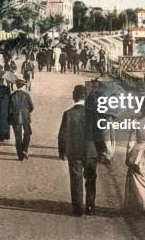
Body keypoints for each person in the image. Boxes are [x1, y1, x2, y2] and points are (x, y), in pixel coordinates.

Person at [57, 85, 98, 216]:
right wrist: (101, 151)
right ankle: (90, 206)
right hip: (91, 151)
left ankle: (78, 209)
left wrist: (62, 151)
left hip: (74, 152)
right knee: (91, 178)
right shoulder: (93, 113)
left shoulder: (68, 114)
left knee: (76, 179)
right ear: (85, 97)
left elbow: (62, 134)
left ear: (74, 97)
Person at [9, 79, 34, 160]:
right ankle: (25, 149)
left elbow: (9, 109)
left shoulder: (12, 95)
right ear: (23, 86)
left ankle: (20, 155)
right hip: (25, 117)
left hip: (15, 117)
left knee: (17, 136)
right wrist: (26, 112)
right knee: (27, 133)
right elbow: (31, 107)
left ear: (16, 85)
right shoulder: (26, 95)